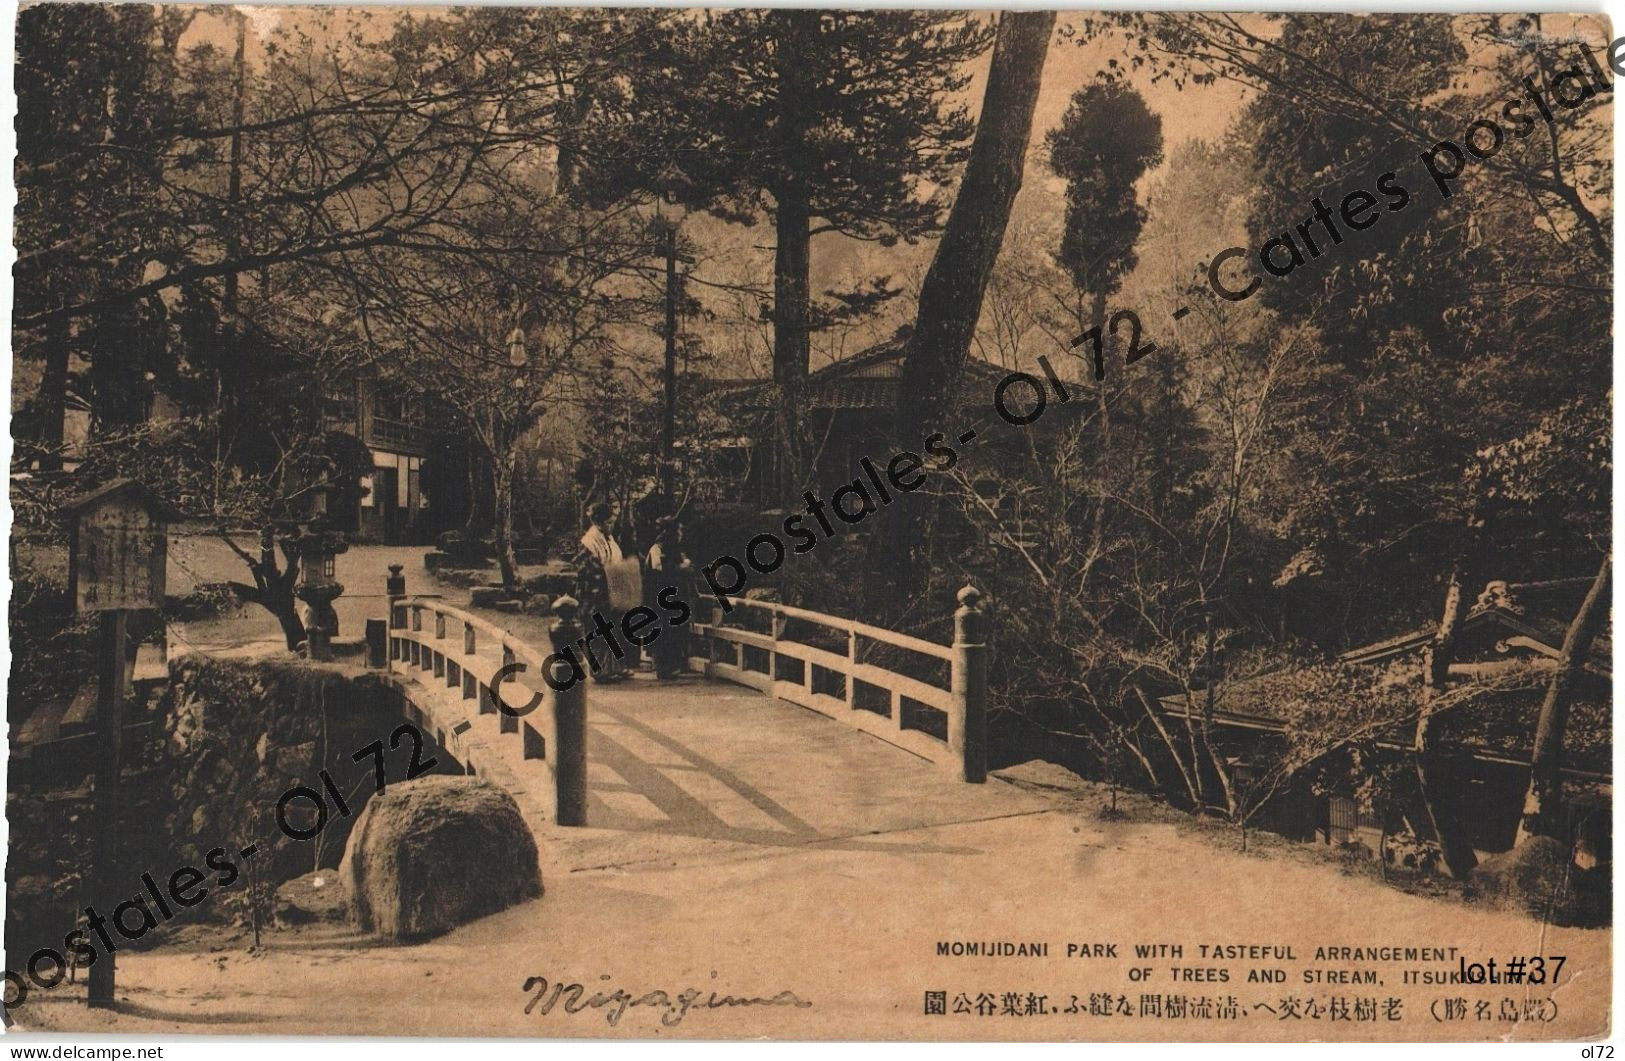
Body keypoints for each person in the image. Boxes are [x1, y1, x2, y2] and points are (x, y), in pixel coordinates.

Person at [574, 502, 629, 681]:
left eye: (612, 522)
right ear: (598, 522)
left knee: (613, 628)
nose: (611, 526)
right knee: (597, 630)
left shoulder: (608, 538)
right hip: (595, 592)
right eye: (608, 522)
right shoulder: (590, 542)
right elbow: (587, 572)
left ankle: (614, 667)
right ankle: (600, 671)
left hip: (610, 589)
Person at [645, 516, 693, 680]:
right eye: (678, 530)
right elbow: (659, 569)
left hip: (676, 597)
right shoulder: (657, 548)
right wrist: (682, 567)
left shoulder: (676, 548)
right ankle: (663, 667)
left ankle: (674, 665)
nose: (680, 534)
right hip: (662, 596)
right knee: (663, 631)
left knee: (675, 631)